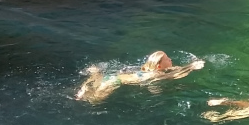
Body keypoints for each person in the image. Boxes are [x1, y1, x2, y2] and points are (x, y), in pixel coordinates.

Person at [75, 51, 205, 103]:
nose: (170, 59)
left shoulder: (150, 68)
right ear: (159, 66)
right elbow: (174, 76)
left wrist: (189, 65)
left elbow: (174, 70)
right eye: (167, 59)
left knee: (99, 79)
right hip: (115, 81)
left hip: (114, 76)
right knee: (95, 101)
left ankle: (95, 74)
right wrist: (192, 68)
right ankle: (85, 90)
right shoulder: (155, 74)